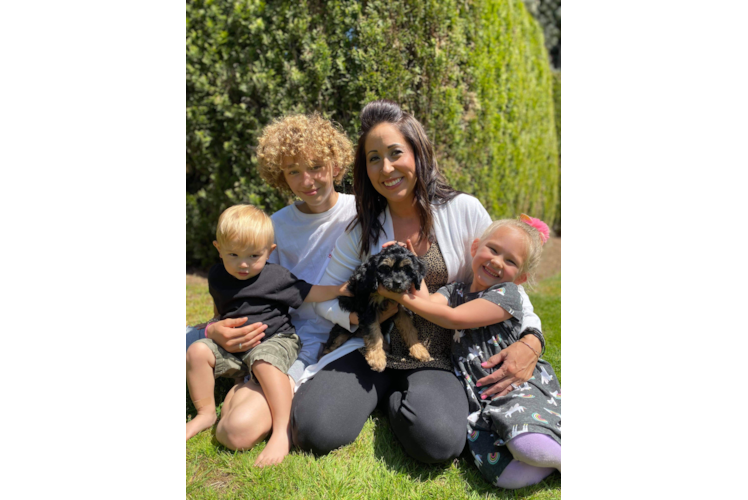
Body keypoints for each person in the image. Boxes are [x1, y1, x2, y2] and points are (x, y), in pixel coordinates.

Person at [291, 100, 546, 465]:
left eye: (396, 153)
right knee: (316, 429)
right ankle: (372, 392)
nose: (386, 167)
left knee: (438, 443)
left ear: (418, 153)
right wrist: (363, 320)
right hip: (370, 351)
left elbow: (505, 288)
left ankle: (398, 401)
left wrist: (531, 339)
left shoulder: (463, 210)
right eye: (374, 158)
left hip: (438, 357)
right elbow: (326, 299)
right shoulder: (360, 230)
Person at [186, 113, 389, 462]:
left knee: (234, 431)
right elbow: (240, 292)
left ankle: (246, 388)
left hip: (316, 345)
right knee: (197, 350)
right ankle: (240, 382)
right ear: (280, 176)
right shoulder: (275, 226)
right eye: (294, 171)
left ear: (336, 163)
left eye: (315, 166)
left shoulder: (364, 215)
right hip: (267, 333)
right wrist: (215, 328)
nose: (307, 180)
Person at [377, 216, 560, 488]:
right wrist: (411, 266)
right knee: (504, 476)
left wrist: (400, 298)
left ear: (520, 278)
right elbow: (428, 303)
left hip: (513, 387)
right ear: (475, 247)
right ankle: (553, 462)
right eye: (494, 250)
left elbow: (452, 318)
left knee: (526, 445)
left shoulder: (505, 293)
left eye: (510, 261)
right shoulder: (455, 290)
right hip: (480, 399)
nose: (497, 262)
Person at [186, 204, 351, 468]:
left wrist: (340, 289)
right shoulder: (217, 275)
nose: (243, 264)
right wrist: (214, 327)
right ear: (218, 249)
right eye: (233, 254)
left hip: (276, 340)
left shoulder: (275, 277)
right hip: (235, 346)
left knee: (263, 360)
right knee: (196, 351)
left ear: (269, 251)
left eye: (254, 256)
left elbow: (309, 293)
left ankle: (282, 430)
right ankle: (205, 413)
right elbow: (221, 306)